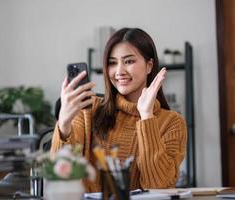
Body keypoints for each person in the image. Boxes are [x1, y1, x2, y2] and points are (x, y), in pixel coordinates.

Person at [51, 27, 187, 192]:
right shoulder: (88, 110)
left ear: (149, 65)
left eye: (129, 61)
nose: (119, 71)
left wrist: (146, 117)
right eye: (112, 63)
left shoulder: (173, 122)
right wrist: (64, 124)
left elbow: (158, 187)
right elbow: (61, 177)